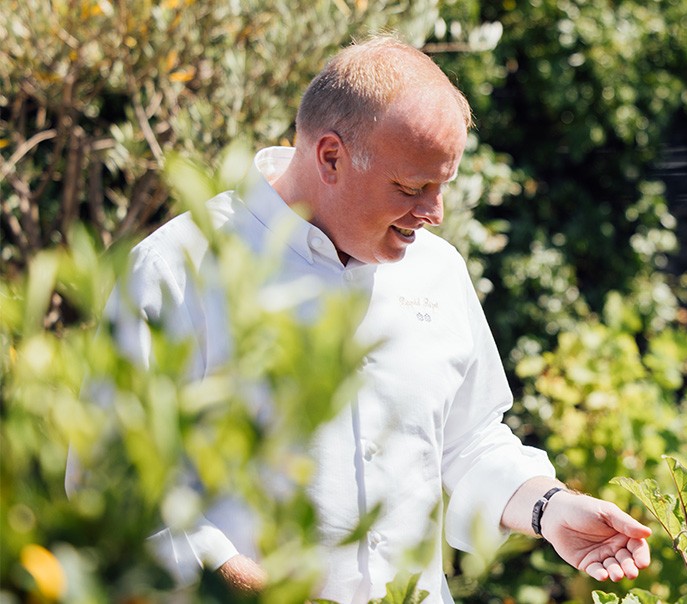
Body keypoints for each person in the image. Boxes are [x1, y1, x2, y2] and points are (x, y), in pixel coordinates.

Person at [74, 36, 651, 602]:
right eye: (412, 187)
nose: (433, 213)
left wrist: (549, 508)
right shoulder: (178, 268)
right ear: (330, 156)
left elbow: (468, 443)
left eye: (442, 186)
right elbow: (115, 491)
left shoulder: (439, 271)